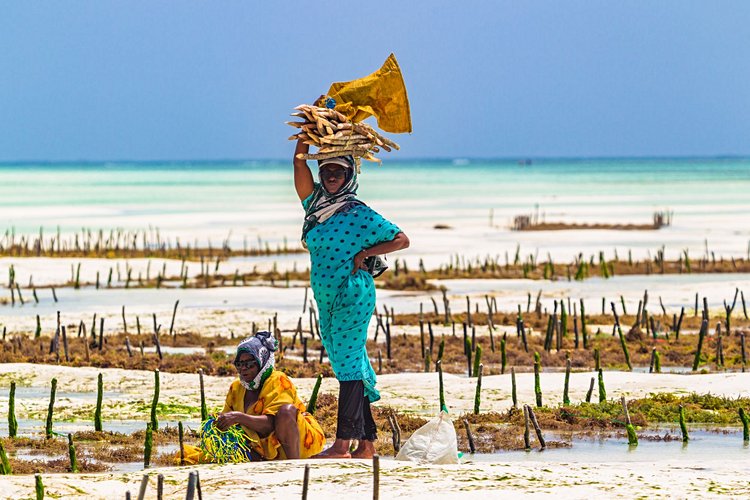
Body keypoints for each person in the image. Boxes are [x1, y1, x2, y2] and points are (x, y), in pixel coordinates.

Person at [293, 134, 410, 459]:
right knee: (350, 363)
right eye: (327, 171)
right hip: (326, 298)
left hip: (353, 295)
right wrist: (305, 134)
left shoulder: (359, 213)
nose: (332, 177)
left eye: (339, 172)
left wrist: (367, 252)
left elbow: (401, 240)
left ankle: (343, 444)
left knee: (346, 364)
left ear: (350, 176)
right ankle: (367, 445)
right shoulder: (314, 205)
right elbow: (297, 163)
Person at [180, 331, 326, 463]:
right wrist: (220, 421)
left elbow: (272, 423)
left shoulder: (279, 380)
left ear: (262, 361)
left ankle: (294, 466)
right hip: (263, 446)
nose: (243, 368)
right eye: (239, 364)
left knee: (286, 411)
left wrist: (238, 417)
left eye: (249, 364)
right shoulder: (236, 388)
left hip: (298, 442)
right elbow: (229, 419)